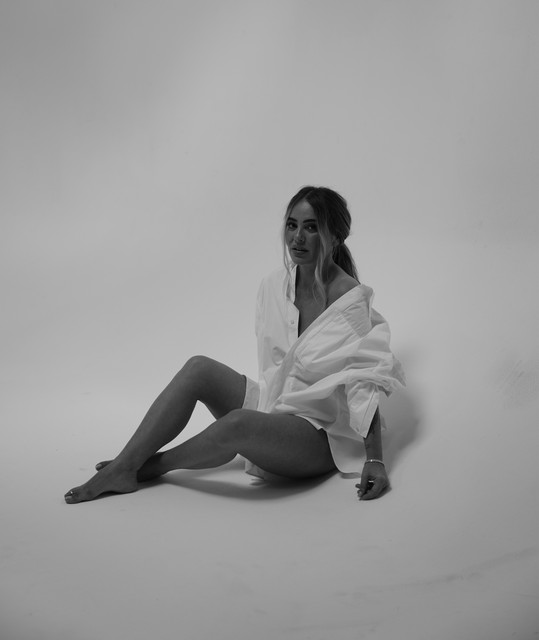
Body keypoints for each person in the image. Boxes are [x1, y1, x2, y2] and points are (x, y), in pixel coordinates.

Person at [65, 186, 404, 504]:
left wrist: (374, 459)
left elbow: (364, 380)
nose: (298, 237)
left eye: (312, 227)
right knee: (198, 368)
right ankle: (127, 460)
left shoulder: (349, 298)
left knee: (238, 423)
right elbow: (276, 370)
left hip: (317, 435)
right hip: (272, 407)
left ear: (336, 236)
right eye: (292, 225)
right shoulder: (273, 286)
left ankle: (143, 467)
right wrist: (265, 416)